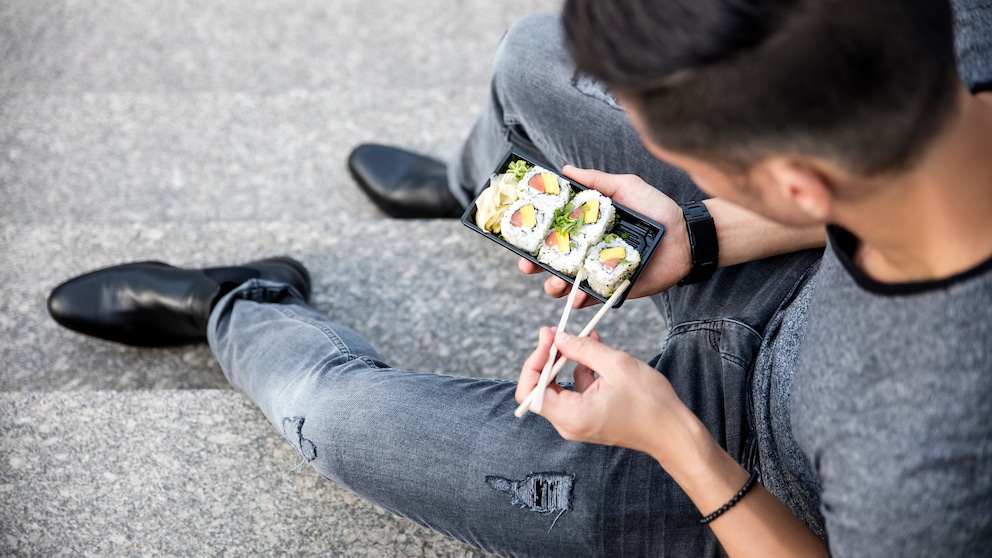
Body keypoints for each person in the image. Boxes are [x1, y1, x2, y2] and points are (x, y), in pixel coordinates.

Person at [47, 1, 991, 557]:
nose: (667, 155)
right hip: (790, 255)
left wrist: (670, 440)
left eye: (690, 155)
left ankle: (236, 304)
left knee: (343, 425)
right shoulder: (963, 34)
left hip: (752, 466)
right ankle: (477, 188)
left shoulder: (931, 463)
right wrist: (701, 234)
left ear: (795, 177)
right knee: (537, 62)